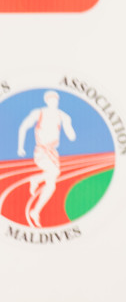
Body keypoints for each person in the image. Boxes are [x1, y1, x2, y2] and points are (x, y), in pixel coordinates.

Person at [16, 89, 75, 228]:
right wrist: (20, 147)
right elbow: (23, 128)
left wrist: (69, 127)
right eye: (51, 99)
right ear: (46, 100)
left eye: (56, 100)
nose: (54, 102)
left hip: (53, 153)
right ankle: (35, 179)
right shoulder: (39, 112)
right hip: (41, 151)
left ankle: (35, 211)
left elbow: (71, 134)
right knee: (54, 173)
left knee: (51, 186)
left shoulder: (63, 116)